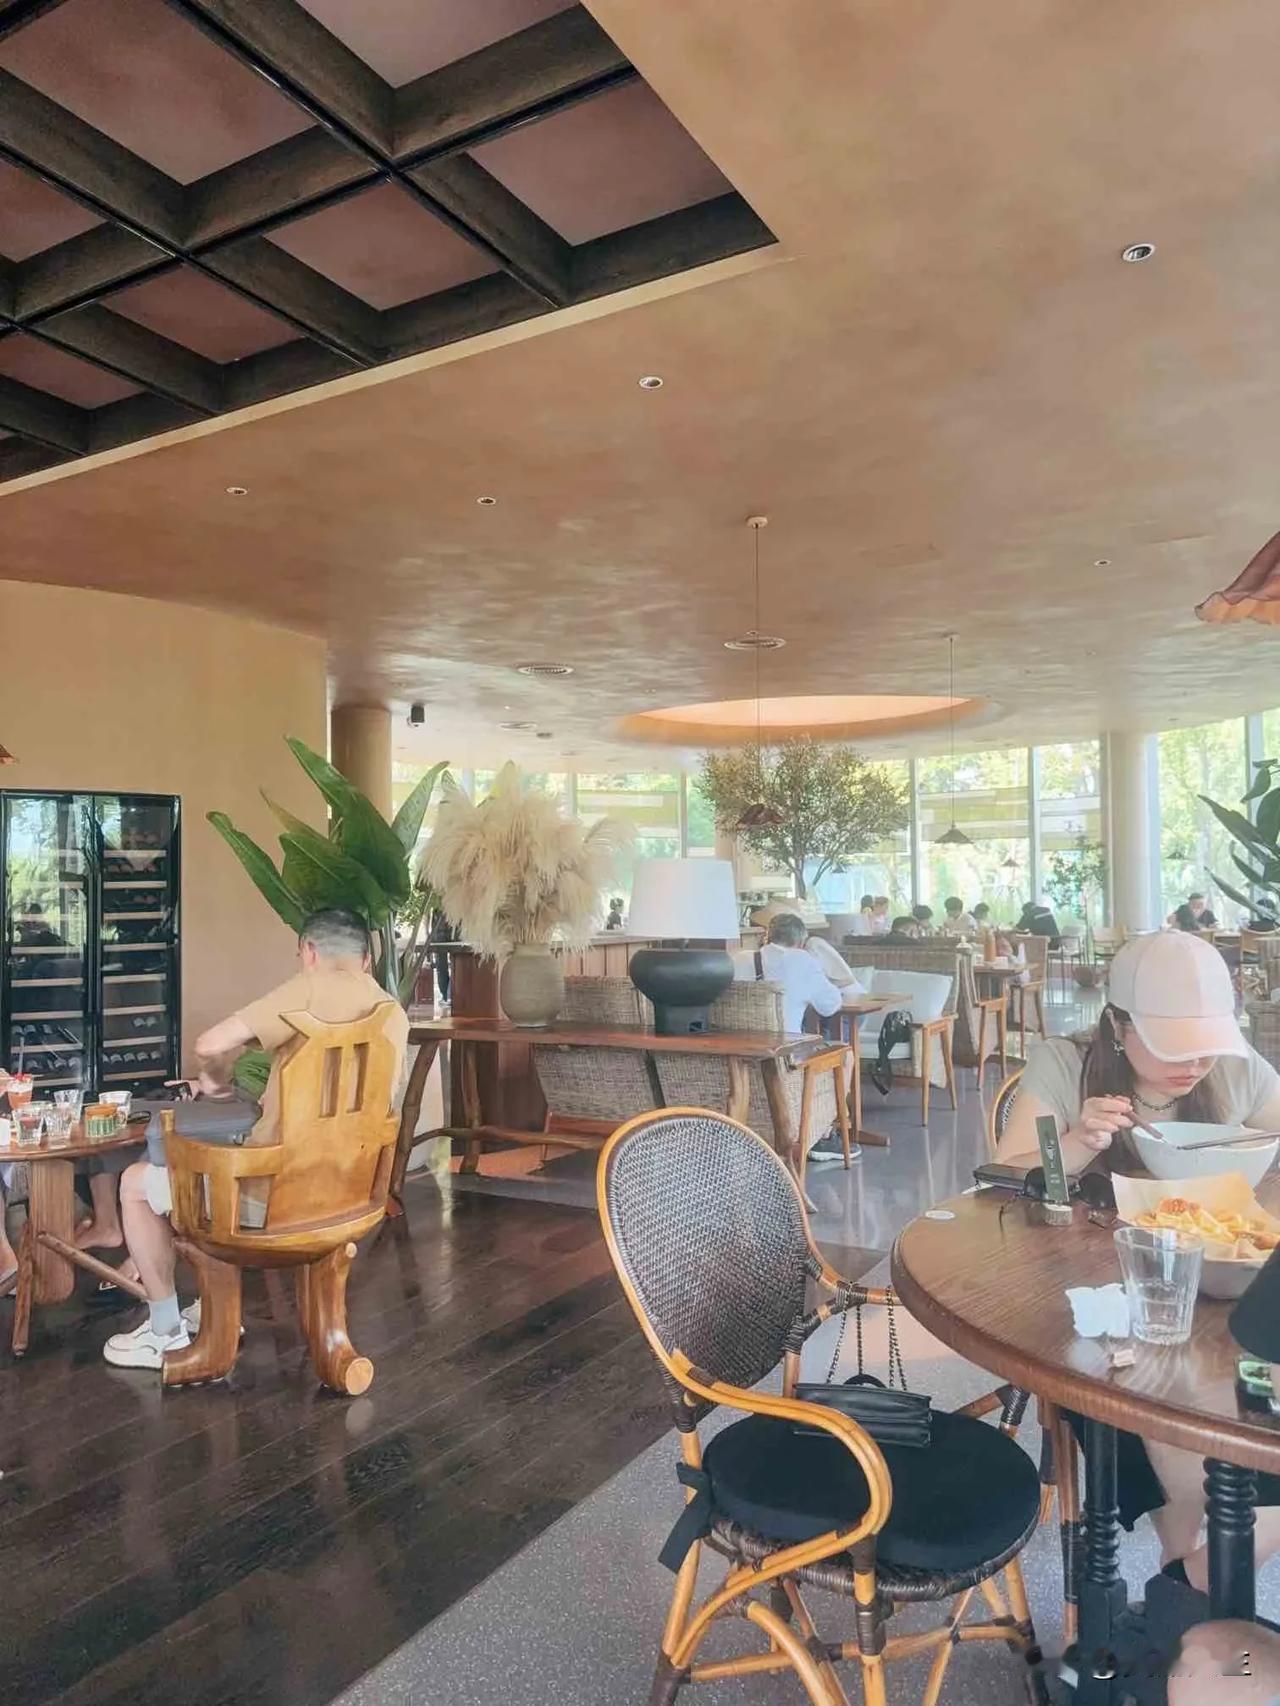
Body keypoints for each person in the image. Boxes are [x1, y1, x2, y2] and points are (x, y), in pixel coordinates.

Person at [998, 930, 1280, 1590]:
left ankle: (1191, 1582)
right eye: (1172, 1044)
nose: (1196, 1062)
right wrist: (1077, 1140)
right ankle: (1189, 1569)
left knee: (1252, 1390)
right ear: (1117, 1026)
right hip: (1104, 1296)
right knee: (1149, 1395)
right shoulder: (1065, 1063)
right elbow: (1006, 1174)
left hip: (1226, 1289)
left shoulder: (1236, 1070)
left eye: (1206, 1043)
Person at [103, 908, 408, 1372]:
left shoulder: (307, 989)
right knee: (209, 1168)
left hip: (273, 1203)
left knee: (135, 1183)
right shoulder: (393, 1014)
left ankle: (163, 1331)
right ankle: (214, 1312)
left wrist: (212, 1082)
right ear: (367, 960)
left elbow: (209, 1044)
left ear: (309, 952)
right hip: (351, 1197)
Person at [731, 912, 841, 1036]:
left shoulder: (739, 958)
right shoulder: (802, 960)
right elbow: (829, 1006)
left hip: (739, 1042)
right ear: (800, 942)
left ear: (768, 937)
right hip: (785, 1045)